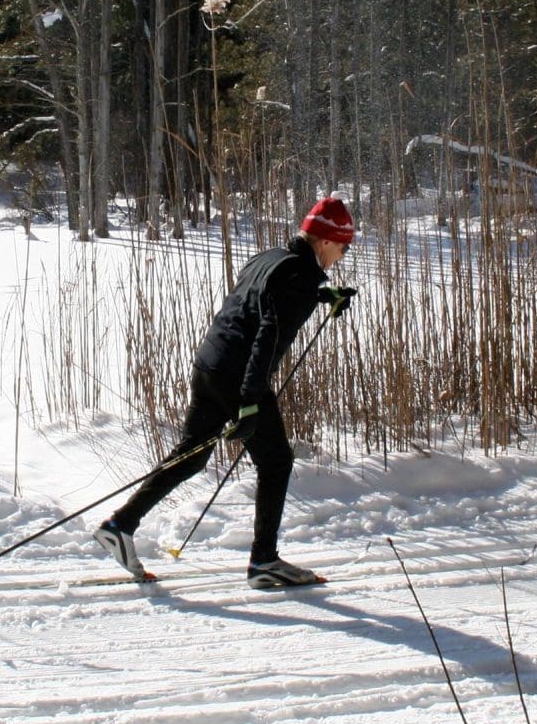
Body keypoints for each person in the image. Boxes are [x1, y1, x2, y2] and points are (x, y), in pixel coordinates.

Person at [94, 195, 359, 589]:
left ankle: (120, 525)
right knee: (276, 461)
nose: (341, 256)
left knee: (190, 457)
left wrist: (320, 296)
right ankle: (264, 561)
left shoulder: (271, 257)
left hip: (209, 365)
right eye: (342, 248)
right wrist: (250, 401)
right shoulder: (301, 278)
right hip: (239, 375)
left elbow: (260, 301)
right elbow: (268, 340)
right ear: (324, 241)